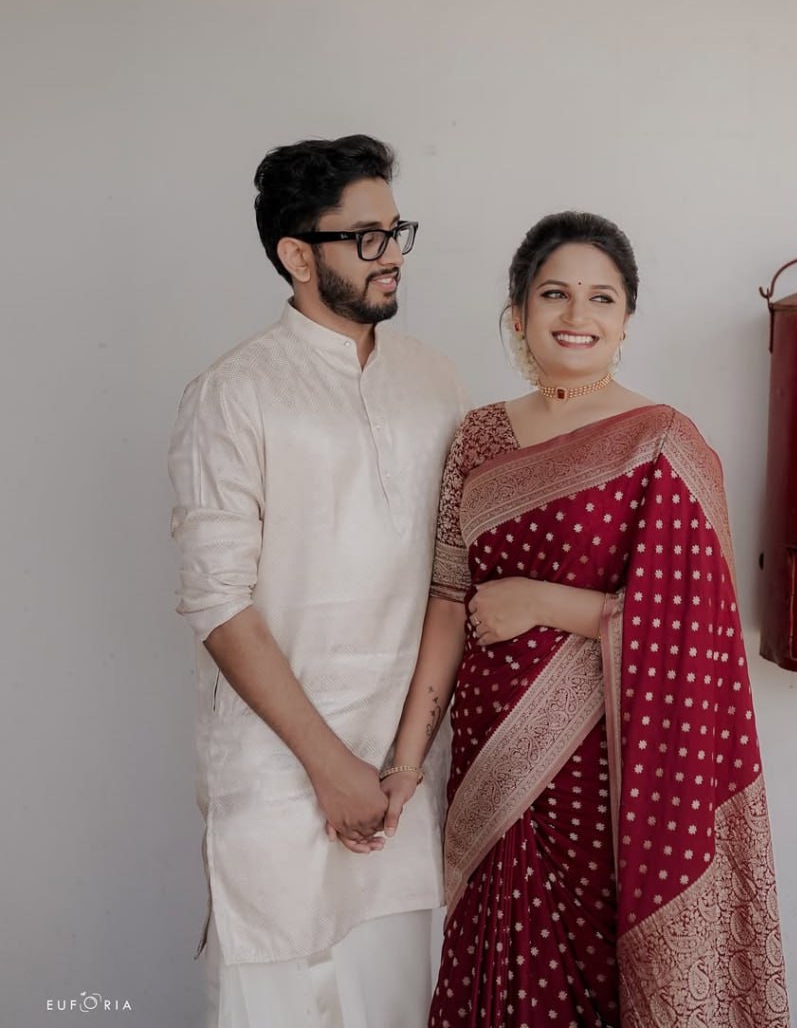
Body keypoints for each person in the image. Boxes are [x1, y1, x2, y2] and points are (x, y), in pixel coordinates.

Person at [382, 211, 790, 1027]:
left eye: (601, 298)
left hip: (612, 777)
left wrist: (545, 602)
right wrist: (402, 764)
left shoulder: (663, 443)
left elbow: (699, 629)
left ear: (627, 319)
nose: (578, 316)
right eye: (555, 294)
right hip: (491, 766)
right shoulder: (479, 438)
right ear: (519, 311)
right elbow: (445, 603)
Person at [168, 135, 466, 1028]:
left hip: (408, 776)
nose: (393, 255)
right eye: (366, 237)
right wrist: (332, 769)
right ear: (297, 255)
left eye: (397, 231)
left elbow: (450, 582)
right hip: (282, 777)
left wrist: (398, 766)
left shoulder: (435, 382)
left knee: (399, 1002)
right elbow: (219, 602)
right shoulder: (234, 393)